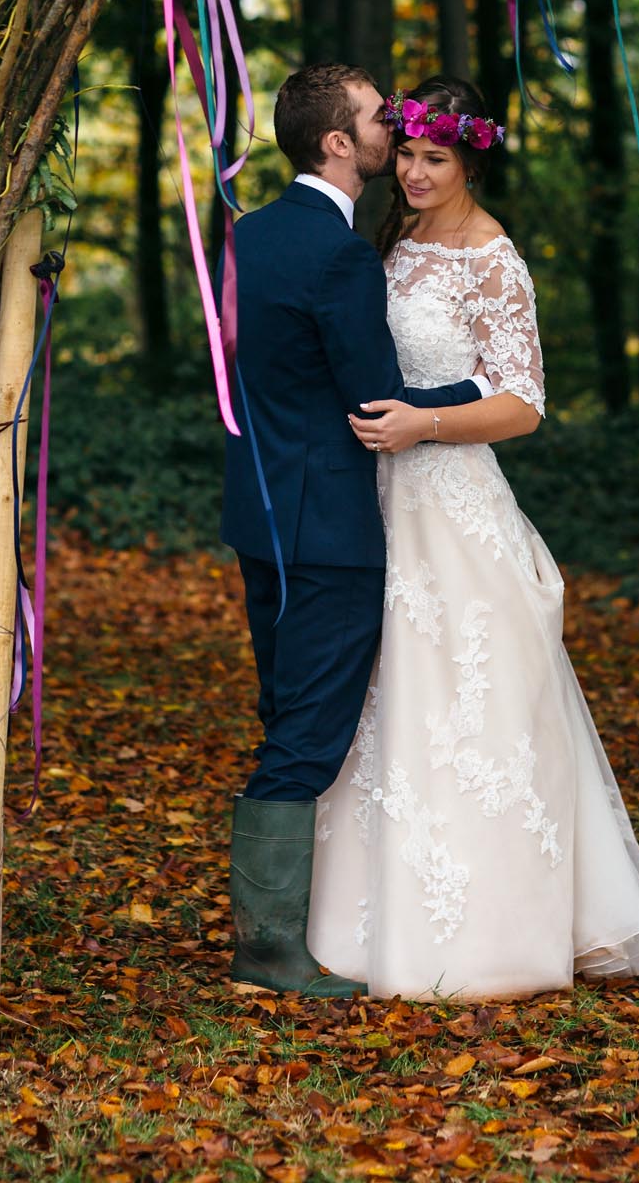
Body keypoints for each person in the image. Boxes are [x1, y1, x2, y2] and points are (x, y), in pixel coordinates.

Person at [306, 75, 639, 1000]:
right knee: (384, 701)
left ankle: (492, 931)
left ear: (468, 158)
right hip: (381, 498)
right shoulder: (389, 242)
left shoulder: (491, 257)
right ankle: (372, 922)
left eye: (438, 159)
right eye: (412, 157)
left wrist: (420, 428)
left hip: (453, 502)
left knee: (466, 707)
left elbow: (521, 404)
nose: (419, 174)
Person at [222, 63, 492, 997]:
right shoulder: (338, 256)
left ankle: (273, 930)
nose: (397, 127)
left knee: (283, 709)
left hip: (257, 514)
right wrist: (471, 394)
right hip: (329, 525)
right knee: (305, 730)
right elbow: (373, 399)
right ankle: (266, 950)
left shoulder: (246, 236)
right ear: (338, 142)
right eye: (382, 118)